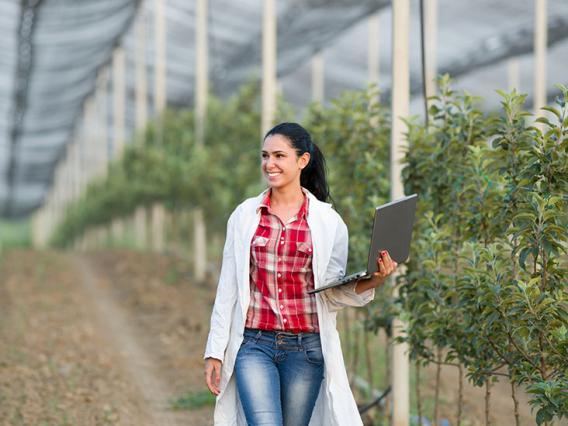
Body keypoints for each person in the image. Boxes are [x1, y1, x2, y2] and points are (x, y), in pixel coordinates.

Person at [204, 122, 397, 426]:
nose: (270, 164)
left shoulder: (328, 222)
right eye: (265, 156)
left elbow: (331, 293)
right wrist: (215, 351)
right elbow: (228, 287)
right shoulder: (244, 216)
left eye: (279, 156)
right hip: (254, 344)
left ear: (302, 161)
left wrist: (375, 279)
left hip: (306, 349)